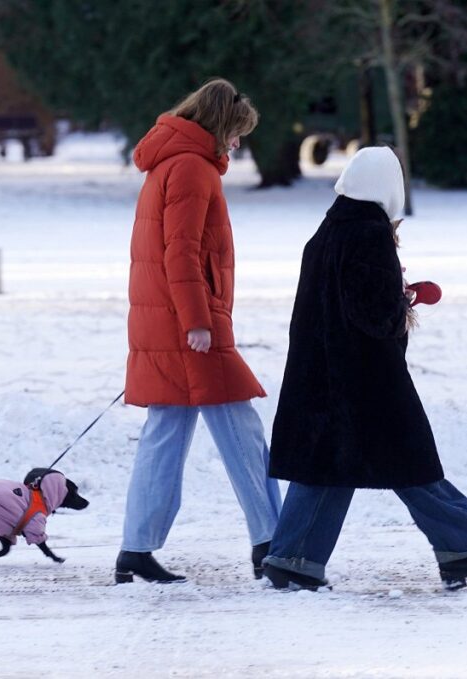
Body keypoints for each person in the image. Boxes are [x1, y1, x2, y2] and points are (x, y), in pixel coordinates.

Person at [263, 147, 467, 591]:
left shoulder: (328, 230)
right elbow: (374, 315)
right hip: (366, 381)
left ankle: (292, 559)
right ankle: (463, 548)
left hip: (322, 376)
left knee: (327, 469)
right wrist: (403, 300)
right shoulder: (368, 234)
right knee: (410, 464)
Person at [116, 79, 280, 584]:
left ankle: (136, 551)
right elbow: (180, 251)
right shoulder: (190, 167)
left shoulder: (172, 160)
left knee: (167, 432)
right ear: (219, 126)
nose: (237, 145)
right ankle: (273, 542)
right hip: (189, 325)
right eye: (236, 134)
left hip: (168, 320)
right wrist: (197, 323)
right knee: (241, 431)